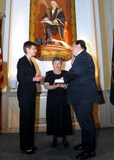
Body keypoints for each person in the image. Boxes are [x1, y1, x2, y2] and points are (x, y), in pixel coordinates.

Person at [62, 40, 98, 159]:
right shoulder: (82, 58)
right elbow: (78, 74)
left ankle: (89, 150)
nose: (71, 49)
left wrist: (63, 78)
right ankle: (85, 144)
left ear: (78, 45)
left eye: (72, 46)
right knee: (84, 123)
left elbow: (75, 72)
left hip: (83, 96)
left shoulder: (83, 57)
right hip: (81, 96)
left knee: (87, 123)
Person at [17, 41, 45, 154]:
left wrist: (38, 78)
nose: (36, 50)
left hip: (31, 92)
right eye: (34, 48)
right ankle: (25, 146)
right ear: (27, 49)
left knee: (31, 118)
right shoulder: (22, 61)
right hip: (24, 94)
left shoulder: (31, 62)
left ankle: (30, 144)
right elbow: (20, 78)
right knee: (25, 119)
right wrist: (35, 79)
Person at [44, 56, 73, 148]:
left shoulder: (66, 73)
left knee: (64, 117)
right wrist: (53, 87)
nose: (57, 65)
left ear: (61, 64)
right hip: (53, 99)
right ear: (52, 64)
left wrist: (65, 86)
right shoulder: (49, 73)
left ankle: (64, 138)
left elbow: (69, 85)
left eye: (59, 63)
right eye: (55, 63)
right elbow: (46, 85)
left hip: (63, 99)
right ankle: (54, 138)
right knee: (54, 118)